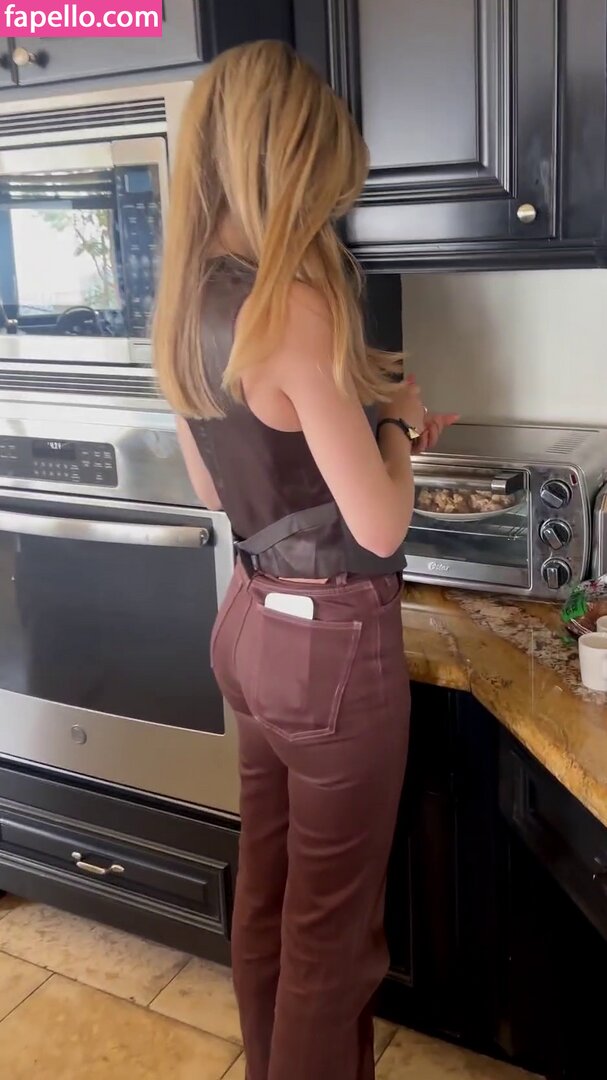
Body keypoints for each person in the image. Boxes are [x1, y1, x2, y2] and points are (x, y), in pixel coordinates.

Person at [153, 40, 457, 1080]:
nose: (330, 209)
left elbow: (215, 489)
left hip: (247, 628)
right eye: (325, 186)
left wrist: (370, 428)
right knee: (333, 943)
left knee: (269, 896)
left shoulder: (187, 306)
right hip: (329, 654)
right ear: (285, 169)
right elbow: (379, 525)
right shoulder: (293, 306)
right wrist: (400, 426)